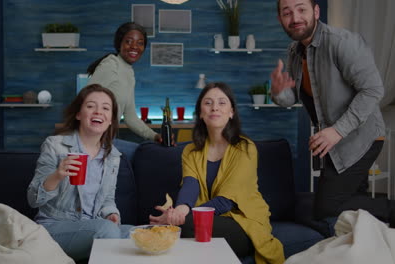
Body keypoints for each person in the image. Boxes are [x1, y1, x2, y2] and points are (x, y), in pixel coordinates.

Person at [271, 0, 394, 225]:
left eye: (301, 9)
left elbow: (373, 90)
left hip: (361, 137)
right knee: (352, 210)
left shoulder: (342, 43)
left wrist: (336, 131)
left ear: (316, 11)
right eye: (287, 13)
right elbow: (294, 97)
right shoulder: (295, 51)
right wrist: (279, 92)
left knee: (328, 209)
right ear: (280, 19)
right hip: (335, 142)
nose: (295, 18)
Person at [149, 82, 285, 263]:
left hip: (244, 221)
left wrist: (183, 218)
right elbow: (191, 185)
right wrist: (178, 212)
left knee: (185, 227)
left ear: (231, 112)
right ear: (201, 113)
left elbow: (226, 201)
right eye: (208, 103)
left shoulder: (245, 148)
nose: (215, 107)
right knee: (176, 227)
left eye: (222, 102)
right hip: (208, 219)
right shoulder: (190, 151)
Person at [27, 84, 132, 262]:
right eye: (91, 106)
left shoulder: (113, 156)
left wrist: (111, 214)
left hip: (93, 226)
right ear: (78, 114)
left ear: (111, 120)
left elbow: (107, 200)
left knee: (137, 233)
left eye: (106, 108)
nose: (98, 111)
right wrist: (58, 175)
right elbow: (33, 199)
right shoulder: (55, 145)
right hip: (54, 229)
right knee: (106, 231)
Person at [86, 22, 161, 143]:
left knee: (145, 151)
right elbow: (86, 102)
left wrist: (155, 136)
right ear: (119, 43)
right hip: (91, 140)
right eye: (128, 41)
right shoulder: (111, 64)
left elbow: (130, 117)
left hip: (107, 140)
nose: (134, 46)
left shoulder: (129, 73)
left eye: (140, 43)